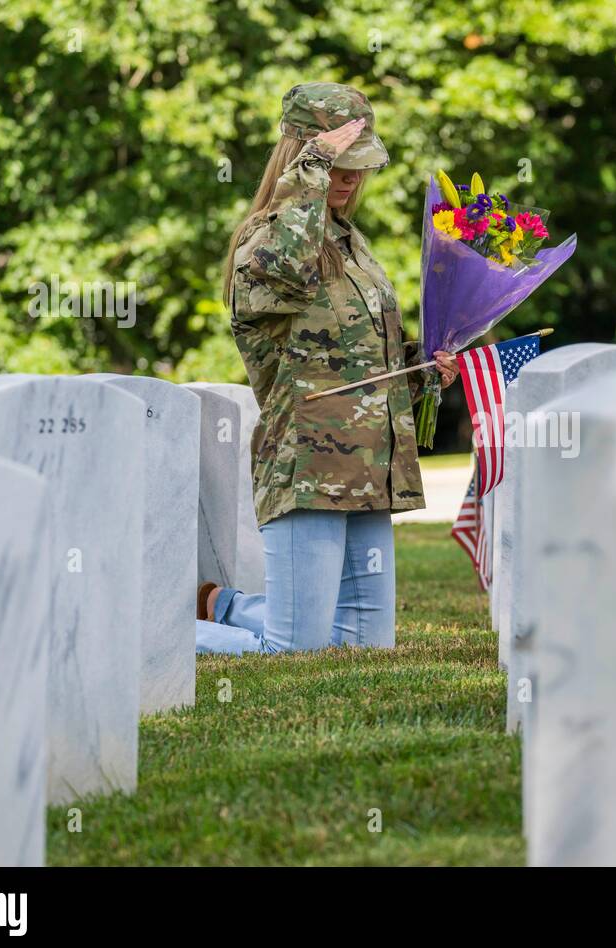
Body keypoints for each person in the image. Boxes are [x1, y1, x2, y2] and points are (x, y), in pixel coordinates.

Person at [196, 82, 457, 655]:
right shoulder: (266, 242)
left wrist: (420, 368)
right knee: (295, 650)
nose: (350, 178)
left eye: (357, 165)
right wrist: (309, 169)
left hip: (367, 470)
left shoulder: (351, 242)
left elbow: (358, 356)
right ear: (300, 158)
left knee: (364, 644)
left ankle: (229, 606)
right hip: (306, 467)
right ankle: (154, 630)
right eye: (336, 164)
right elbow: (290, 271)